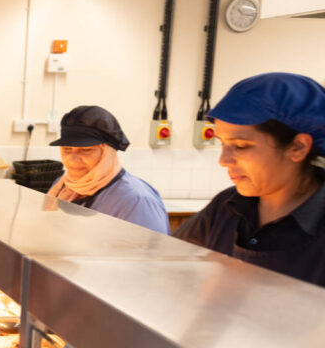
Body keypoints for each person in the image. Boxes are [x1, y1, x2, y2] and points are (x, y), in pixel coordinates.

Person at [175, 72, 325, 287]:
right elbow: (169, 263)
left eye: (241, 146)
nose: (223, 160)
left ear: (298, 147)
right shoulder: (226, 207)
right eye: (222, 144)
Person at [48, 105, 169, 233]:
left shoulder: (136, 201)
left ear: (108, 153)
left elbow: (149, 251)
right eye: (67, 149)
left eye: (86, 150)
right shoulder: (62, 186)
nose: (73, 159)